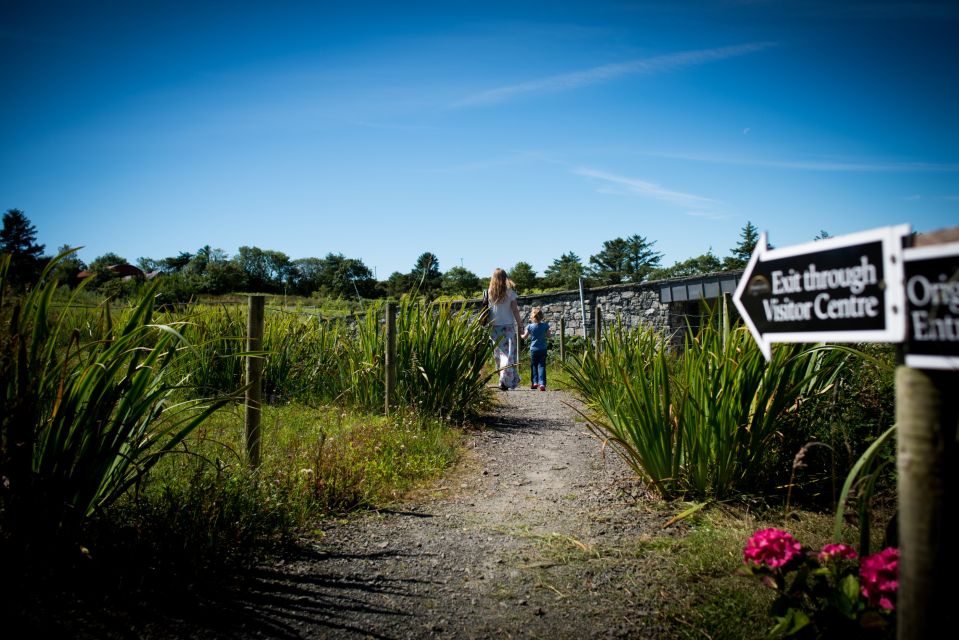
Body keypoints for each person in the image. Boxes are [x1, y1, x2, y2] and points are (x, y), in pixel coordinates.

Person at [485, 268, 523, 390]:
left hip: (494, 328)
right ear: (505, 277)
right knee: (508, 355)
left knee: (498, 355)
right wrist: (520, 325)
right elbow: (515, 310)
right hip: (508, 327)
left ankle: (504, 379)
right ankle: (504, 380)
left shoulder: (489, 292)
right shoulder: (509, 292)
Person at [522, 307, 550, 391]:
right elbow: (549, 336)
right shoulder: (545, 325)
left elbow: (524, 337)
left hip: (533, 349)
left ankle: (534, 382)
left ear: (532, 317)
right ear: (542, 316)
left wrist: (520, 334)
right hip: (543, 349)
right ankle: (542, 384)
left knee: (534, 366)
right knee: (542, 366)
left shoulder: (529, 326)